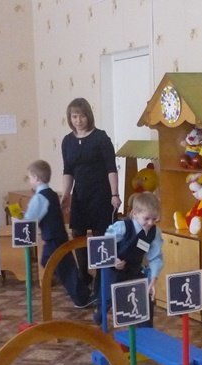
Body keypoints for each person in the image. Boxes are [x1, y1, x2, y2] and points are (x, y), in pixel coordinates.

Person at [61, 97, 120, 287]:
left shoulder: (101, 138)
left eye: (82, 116)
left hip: (101, 195)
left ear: (89, 116)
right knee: (77, 233)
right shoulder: (67, 141)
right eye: (74, 116)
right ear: (70, 118)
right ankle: (83, 275)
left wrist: (115, 194)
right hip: (80, 195)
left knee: (100, 236)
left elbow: (111, 168)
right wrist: (66, 194)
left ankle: (101, 281)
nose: (78, 120)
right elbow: (68, 171)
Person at [24, 159, 95, 309]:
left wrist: (21, 218)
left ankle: (82, 298)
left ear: (36, 178)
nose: (29, 181)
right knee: (51, 263)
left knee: (64, 268)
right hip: (58, 236)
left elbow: (30, 218)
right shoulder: (52, 194)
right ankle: (81, 291)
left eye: (30, 177)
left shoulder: (39, 198)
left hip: (53, 239)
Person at [93, 191, 163, 328]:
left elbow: (155, 257)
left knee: (144, 299)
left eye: (154, 219)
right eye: (146, 218)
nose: (150, 223)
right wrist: (113, 259)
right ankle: (99, 316)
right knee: (107, 299)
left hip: (134, 269)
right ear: (135, 214)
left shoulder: (155, 233)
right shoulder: (122, 227)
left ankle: (146, 330)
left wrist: (153, 278)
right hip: (113, 269)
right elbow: (105, 244)